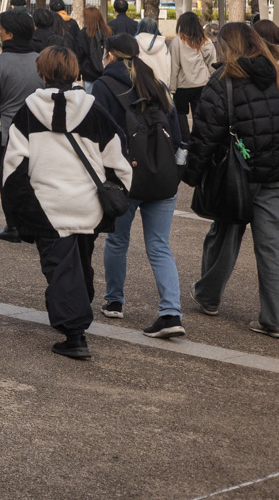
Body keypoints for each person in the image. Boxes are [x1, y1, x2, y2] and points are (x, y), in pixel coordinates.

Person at [1, 45, 134, 360]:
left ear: (42, 72)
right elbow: (118, 157)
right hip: (88, 206)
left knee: (60, 267)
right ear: (76, 72)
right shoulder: (93, 109)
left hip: (47, 207)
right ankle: (76, 307)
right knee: (79, 263)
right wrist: (118, 194)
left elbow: (13, 168)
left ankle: (74, 333)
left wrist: (22, 211)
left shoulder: (28, 111)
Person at [183, 21, 279, 338]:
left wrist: (192, 174)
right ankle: (277, 319)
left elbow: (205, 135)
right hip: (276, 170)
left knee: (224, 235)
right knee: (276, 245)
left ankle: (208, 297)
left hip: (234, 172)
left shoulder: (223, 81)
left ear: (227, 46)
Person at [93, 34, 186, 338]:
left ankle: (115, 301)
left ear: (109, 55)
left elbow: (98, 134)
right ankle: (171, 313)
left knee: (117, 241)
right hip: (162, 178)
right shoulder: (155, 84)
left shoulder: (104, 86)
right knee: (160, 246)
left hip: (125, 178)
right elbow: (176, 133)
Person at [0, 9, 41, 243]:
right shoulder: (41, 60)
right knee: (35, 176)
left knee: (8, 178)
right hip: (38, 129)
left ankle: (13, 225)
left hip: (5, 131)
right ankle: (36, 222)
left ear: (9, 34)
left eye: (1, 29)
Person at [171, 11, 215, 134]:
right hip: (202, 84)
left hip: (183, 86)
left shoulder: (177, 42)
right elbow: (212, 64)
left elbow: (174, 66)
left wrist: (172, 89)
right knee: (199, 115)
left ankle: (185, 141)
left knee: (180, 114)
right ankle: (198, 139)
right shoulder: (206, 41)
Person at [133, 17, 172, 89]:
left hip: (141, 86)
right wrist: (167, 85)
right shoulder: (163, 44)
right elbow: (168, 66)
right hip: (161, 85)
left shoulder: (135, 42)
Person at [75, 6, 109, 89]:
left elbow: (79, 55)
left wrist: (78, 72)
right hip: (106, 72)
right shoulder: (108, 32)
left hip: (89, 73)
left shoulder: (83, 34)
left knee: (90, 99)